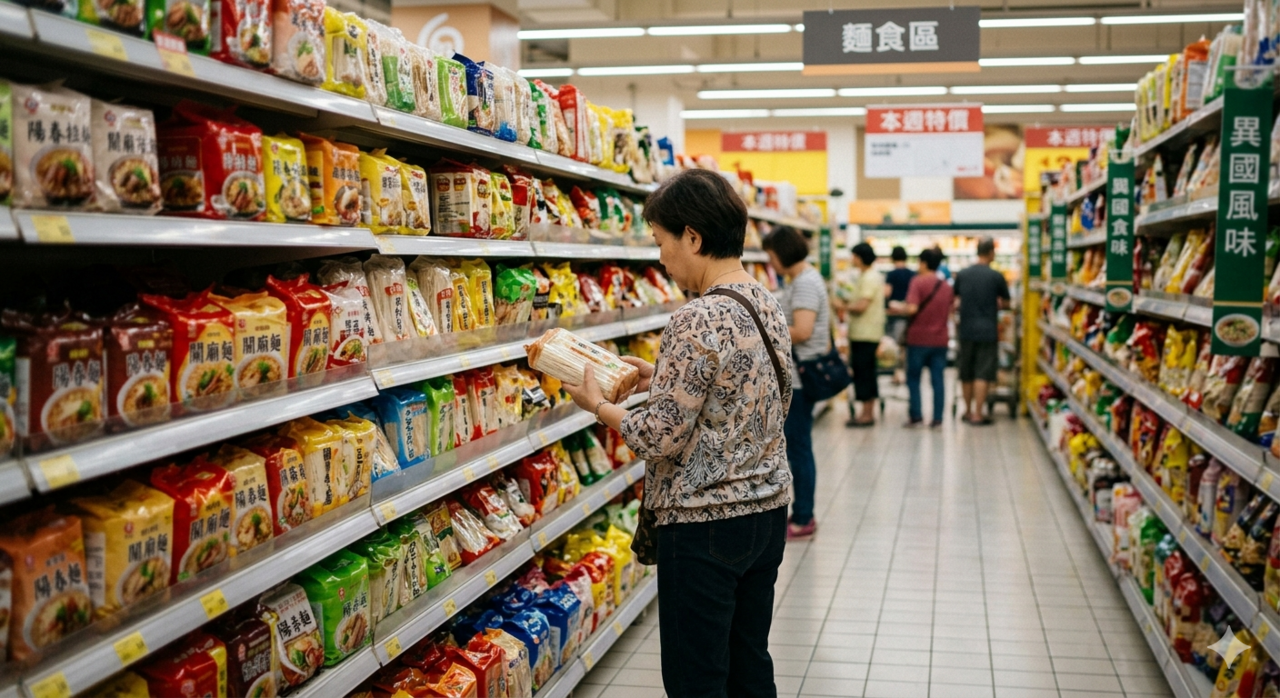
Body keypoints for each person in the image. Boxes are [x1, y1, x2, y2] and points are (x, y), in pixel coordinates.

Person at [561, 169, 793, 698]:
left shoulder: (696, 317)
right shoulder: (766, 302)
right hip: (766, 512)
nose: (661, 259)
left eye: (661, 243)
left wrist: (598, 405)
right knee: (748, 664)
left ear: (692, 236)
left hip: (705, 526)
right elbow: (758, 392)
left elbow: (658, 437)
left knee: (697, 678)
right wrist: (657, 375)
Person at [762, 225, 829, 540]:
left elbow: (802, 330)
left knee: (799, 449)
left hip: (801, 381)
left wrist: (762, 332)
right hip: (800, 377)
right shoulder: (803, 280)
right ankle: (802, 513)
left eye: (771, 255)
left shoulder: (804, 284)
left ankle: (803, 516)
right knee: (800, 447)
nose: (770, 262)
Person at [890, 247, 953, 427]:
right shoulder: (946, 286)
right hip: (940, 339)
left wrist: (898, 308)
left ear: (924, 263)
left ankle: (916, 415)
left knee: (914, 378)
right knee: (938, 380)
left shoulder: (918, 282)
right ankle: (938, 418)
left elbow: (912, 309)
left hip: (918, 338)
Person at [953, 237, 1011, 425]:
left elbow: (955, 302)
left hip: (966, 328)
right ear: (991, 253)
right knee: (983, 372)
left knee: (967, 371)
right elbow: (1006, 303)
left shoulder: (962, 275)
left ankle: (967, 411)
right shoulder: (996, 276)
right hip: (987, 329)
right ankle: (979, 413)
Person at [840, 242, 884, 427]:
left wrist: (842, 307)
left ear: (860, 257)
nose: (852, 260)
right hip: (862, 332)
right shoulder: (864, 276)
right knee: (864, 373)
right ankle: (866, 412)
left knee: (864, 373)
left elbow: (862, 306)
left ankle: (867, 414)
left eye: (854, 256)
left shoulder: (870, 277)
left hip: (866, 333)